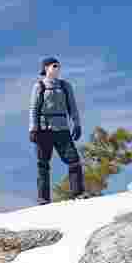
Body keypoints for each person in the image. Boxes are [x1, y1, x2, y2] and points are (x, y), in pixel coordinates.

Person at [28, 57, 84, 204]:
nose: (57, 68)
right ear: (46, 68)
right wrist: (33, 128)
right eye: (54, 66)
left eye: (58, 66)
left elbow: (73, 107)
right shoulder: (39, 86)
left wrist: (77, 124)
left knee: (74, 161)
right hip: (43, 129)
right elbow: (34, 108)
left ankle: (78, 193)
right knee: (43, 163)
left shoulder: (65, 86)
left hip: (62, 129)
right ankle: (43, 198)